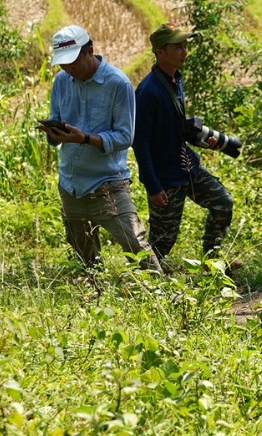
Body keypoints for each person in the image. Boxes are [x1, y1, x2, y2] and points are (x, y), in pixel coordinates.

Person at [44, 24, 158, 271]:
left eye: (73, 62)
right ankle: (95, 293)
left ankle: (163, 299)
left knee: (137, 247)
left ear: (90, 51)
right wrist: (54, 134)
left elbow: (125, 136)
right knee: (84, 251)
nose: (68, 69)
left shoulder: (118, 83)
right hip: (71, 183)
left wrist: (85, 138)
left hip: (108, 184)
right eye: (63, 64)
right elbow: (57, 123)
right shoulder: (62, 81)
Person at [133, 24, 236, 264]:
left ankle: (213, 261)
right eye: (178, 47)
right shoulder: (148, 92)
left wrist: (202, 139)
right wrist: (153, 186)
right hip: (165, 178)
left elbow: (174, 127)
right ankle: (146, 282)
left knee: (223, 202)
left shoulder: (176, 80)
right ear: (160, 52)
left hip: (187, 166)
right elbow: (140, 143)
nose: (184, 51)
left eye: (185, 46)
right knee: (163, 242)